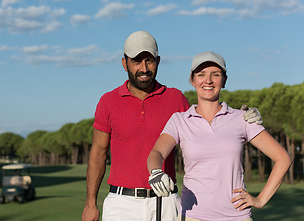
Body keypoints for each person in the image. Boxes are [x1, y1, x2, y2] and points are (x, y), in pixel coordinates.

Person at [81, 32, 263, 221]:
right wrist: (90, 203)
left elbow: (207, 122)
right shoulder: (108, 101)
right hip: (121, 203)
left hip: (166, 202)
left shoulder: (175, 98)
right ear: (124, 63)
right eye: (136, 61)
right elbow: (98, 153)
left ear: (158, 61)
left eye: (149, 61)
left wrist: (242, 117)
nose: (144, 68)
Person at [147, 51, 292, 221]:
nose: (208, 80)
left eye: (215, 74)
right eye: (201, 74)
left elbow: (283, 158)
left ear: (224, 80)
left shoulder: (242, 118)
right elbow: (156, 153)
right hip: (193, 216)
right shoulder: (179, 120)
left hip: (237, 217)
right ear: (192, 80)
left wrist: (260, 200)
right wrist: (156, 171)